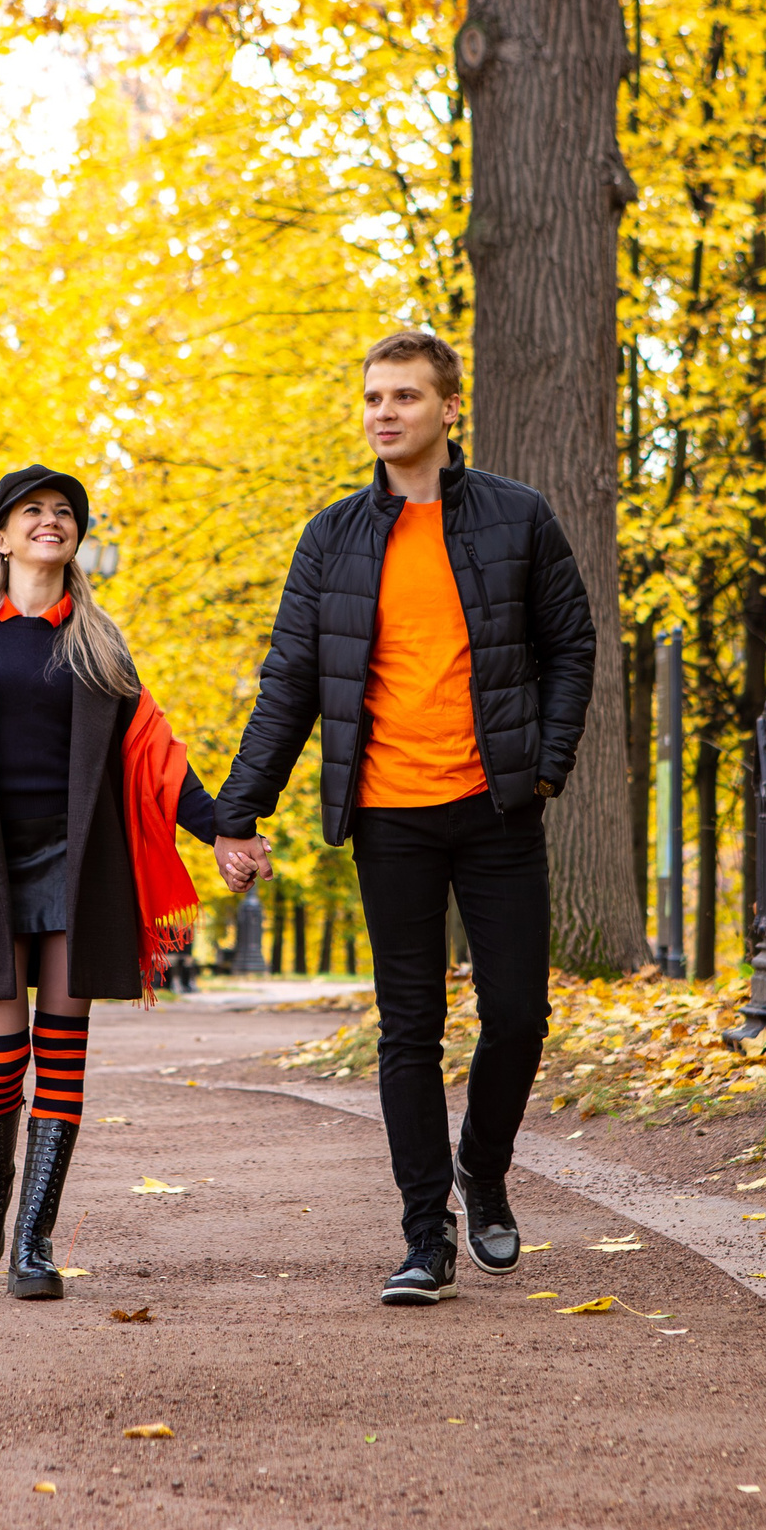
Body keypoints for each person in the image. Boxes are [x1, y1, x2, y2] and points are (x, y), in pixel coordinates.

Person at [212, 332, 597, 1307]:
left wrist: (547, 766)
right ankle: (426, 1234)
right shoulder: (333, 537)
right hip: (389, 814)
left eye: (405, 397)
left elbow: (570, 644)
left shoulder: (516, 519)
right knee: (408, 1030)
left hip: (497, 804)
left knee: (517, 1013)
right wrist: (238, 807)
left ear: (448, 409)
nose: (384, 413)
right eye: (374, 397)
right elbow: (290, 681)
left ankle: (487, 1170)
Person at [0, 464, 217, 1300]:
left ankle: (34, 1236)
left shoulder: (96, 644)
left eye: (64, 513)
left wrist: (226, 830)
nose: (50, 521)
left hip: (74, 862)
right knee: (2, 1054)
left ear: (74, 538)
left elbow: (155, 757)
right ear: (2, 534)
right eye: (33, 512)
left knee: (62, 1056)